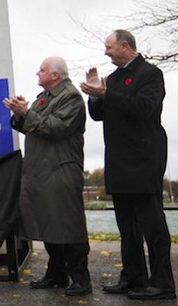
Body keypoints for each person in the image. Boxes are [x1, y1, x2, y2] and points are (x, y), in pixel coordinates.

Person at [80, 29, 175, 300]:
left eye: (109, 47)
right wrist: (95, 94)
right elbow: (98, 115)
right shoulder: (113, 78)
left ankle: (163, 283)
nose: (106, 52)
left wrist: (107, 94)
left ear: (124, 45)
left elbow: (145, 107)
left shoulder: (150, 74)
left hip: (145, 158)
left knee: (152, 225)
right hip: (118, 160)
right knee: (127, 226)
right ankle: (133, 276)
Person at [4, 56, 92, 296]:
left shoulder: (71, 96)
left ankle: (81, 279)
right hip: (43, 171)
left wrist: (27, 113)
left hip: (61, 170)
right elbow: (32, 125)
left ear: (55, 75)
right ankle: (56, 274)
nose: (37, 73)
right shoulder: (46, 97)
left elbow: (56, 127)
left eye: (42, 70)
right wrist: (21, 113)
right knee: (49, 223)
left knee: (69, 224)